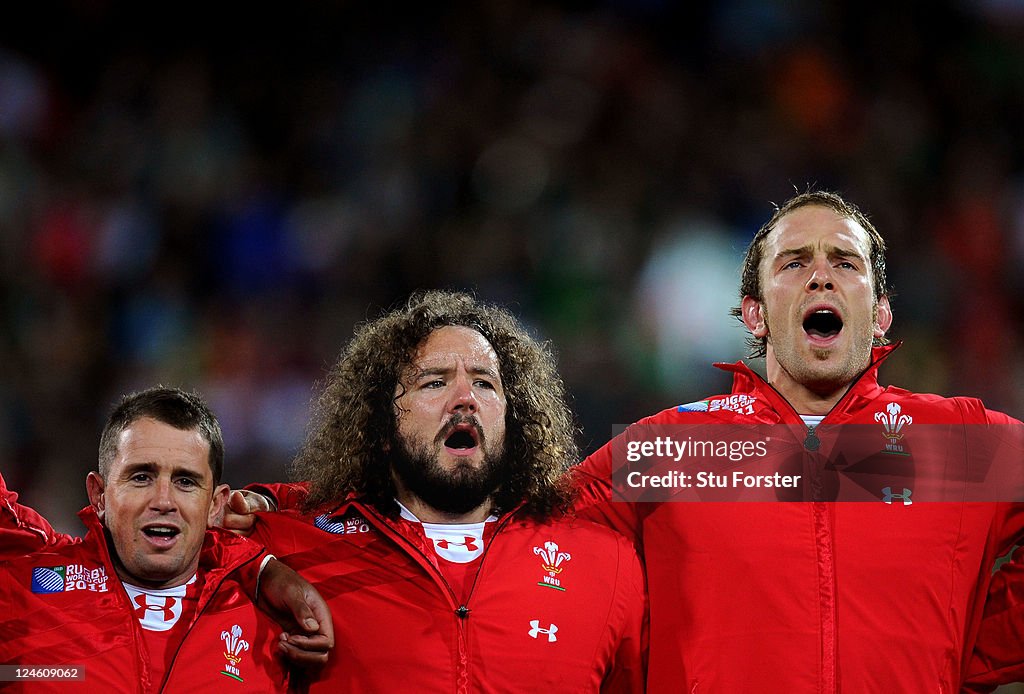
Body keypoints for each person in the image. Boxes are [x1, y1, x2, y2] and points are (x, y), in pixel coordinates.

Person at [569, 190, 1024, 691]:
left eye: (846, 262)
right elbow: (531, 538)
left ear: (880, 315)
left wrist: (965, 648)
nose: (821, 275)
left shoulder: (955, 445)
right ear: (755, 315)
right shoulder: (677, 448)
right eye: (794, 263)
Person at [234, 290, 646, 692]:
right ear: (382, 428)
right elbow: (183, 539)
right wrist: (261, 570)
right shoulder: (293, 550)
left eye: (485, 383)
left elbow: (693, 456)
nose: (465, 399)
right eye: (433, 383)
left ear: (512, 419)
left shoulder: (605, 564)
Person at [0, 386, 334, 692]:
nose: (163, 500)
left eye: (186, 481)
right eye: (141, 477)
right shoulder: (23, 576)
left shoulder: (274, 627)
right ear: (99, 495)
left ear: (215, 504)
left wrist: (255, 563)